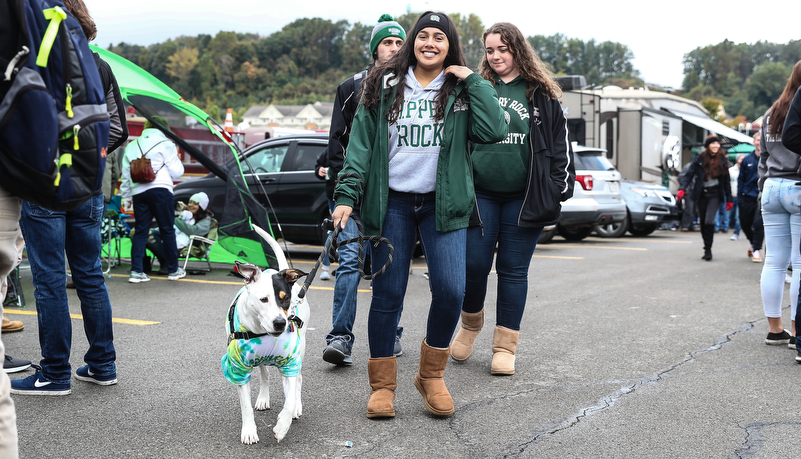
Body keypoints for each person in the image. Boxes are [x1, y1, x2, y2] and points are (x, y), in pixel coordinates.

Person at [332, 11, 508, 418]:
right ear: (413, 41)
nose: (430, 43)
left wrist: (474, 80)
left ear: (450, 46)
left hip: (442, 204)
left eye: (440, 38)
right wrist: (346, 194)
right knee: (388, 293)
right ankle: (382, 386)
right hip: (390, 202)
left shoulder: (461, 89)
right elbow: (359, 146)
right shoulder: (382, 84)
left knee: (450, 289)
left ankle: (431, 376)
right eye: (424, 36)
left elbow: (495, 130)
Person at [450, 22, 574, 376]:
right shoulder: (478, 88)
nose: (496, 56)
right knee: (474, 265)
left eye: (503, 49)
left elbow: (559, 148)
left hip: (524, 198)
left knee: (513, 272)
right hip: (480, 194)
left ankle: (505, 346)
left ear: (517, 50)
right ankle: (471, 325)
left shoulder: (543, 94)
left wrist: (558, 189)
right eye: (490, 50)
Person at [10, 0, 119, 396]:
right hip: (89, 183)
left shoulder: (36, 57)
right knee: (89, 275)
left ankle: (54, 373)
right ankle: (102, 365)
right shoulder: (98, 64)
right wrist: (91, 156)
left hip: (45, 181)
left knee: (50, 279)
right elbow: (118, 125)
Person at [321, 14, 407, 366]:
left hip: (392, 195)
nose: (394, 47)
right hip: (352, 195)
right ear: (375, 48)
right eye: (387, 42)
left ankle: (392, 333)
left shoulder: (413, 86)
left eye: (400, 42)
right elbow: (337, 142)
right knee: (349, 263)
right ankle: (340, 337)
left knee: (388, 264)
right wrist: (341, 191)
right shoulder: (351, 86)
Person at [758, 61, 801, 350]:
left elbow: (762, 157)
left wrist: (763, 187)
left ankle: (775, 329)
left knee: (773, 261)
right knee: (799, 262)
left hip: (772, 187)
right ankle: (798, 332)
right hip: (797, 186)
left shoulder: (769, 114)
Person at [120, 115, 186, 283]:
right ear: (164, 128)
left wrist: (126, 196)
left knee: (141, 230)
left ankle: (136, 271)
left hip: (138, 191)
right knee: (167, 229)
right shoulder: (166, 144)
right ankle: (173, 270)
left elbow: (126, 174)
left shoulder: (132, 145)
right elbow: (177, 171)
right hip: (161, 189)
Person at [677, 135, 733, 261]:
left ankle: (709, 249)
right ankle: (706, 248)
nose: (716, 146)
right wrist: (682, 188)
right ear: (708, 146)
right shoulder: (699, 159)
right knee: (703, 222)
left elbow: (726, 182)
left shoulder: (723, 160)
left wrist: (729, 198)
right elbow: (689, 175)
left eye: (717, 144)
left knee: (709, 221)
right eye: (713, 144)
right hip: (701, 194)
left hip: (715, 195)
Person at [146, 192, 213, 275]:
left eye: (195, 204)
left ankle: (166, 263)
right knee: (145, 233)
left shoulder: (205, 219)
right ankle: (144, 264)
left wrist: (175, 219)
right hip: (172, 235)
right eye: (190, 202)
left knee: (151, 235)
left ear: (202, 207)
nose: (191, 205)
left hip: (185, 243)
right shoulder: (186, 213)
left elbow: (194, 231)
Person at [738, 132, 765, 262]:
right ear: (754, 142)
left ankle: (757, 250)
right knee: (745, 223)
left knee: (758, 224)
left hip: (761, 196)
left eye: (762, 140)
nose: (759, 142)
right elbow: (741, 179)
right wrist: (739, 196)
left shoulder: (768, 158)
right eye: (757, 140)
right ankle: (752, 243)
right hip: (746, 196)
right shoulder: (747, 160)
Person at [677, 160, 697, 231]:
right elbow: (681, 177)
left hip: (695, 191)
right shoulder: (689, 166)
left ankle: (690, 225)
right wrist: (685, 188)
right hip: (689, 191)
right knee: (689, 208)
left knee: (693, 209)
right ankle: (685, 225)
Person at [728, 154, 743, 240]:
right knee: (731, 216)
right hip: (732, 196)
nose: (742, 160)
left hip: (742, 196)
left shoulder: (747, 169)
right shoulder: (731, 170)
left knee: (738, 217)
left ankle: (736, 233)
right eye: (740, 158)